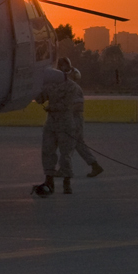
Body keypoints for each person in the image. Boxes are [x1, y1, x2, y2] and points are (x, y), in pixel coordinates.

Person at [34, 58, 79, 194]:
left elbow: (66, 105)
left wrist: (51, 107)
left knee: (65, 154)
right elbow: (40, 98)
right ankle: (49, 180)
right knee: (48, 151)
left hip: (65, 124)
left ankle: (67, 182)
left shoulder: (72, 87)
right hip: (52, 124)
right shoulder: (50, 85)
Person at [66, 66, 104, 178]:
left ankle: (65, 169)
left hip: (75, 119)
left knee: (69, 144)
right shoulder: (68, 88)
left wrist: (65, 111)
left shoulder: (75, 88)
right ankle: (95, 165)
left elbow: (79, 105)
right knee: (78, 145)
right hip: (72, 119)